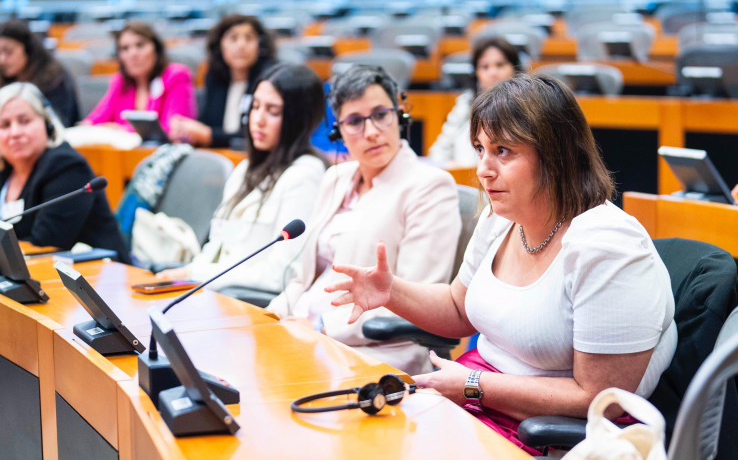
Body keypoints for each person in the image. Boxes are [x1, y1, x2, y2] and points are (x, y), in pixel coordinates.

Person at [325, 74, 676, 454]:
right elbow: (458, 309)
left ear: (557, 155)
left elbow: (599, 397)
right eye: (480, 149)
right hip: (480, 399)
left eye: (503, 151)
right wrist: (391, 291)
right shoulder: (501, 218)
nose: (483, 169)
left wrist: (475, 384)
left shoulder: (608, 247)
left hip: (548, 434)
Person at [267, 65, 462, 375]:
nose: (371, 132)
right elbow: (304, 278)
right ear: (338, 132)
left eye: (381, 114)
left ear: (399, 114)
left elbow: (418, 300)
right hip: (303, 332)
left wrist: (318, 327)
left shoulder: (430, 187)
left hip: (374, 351)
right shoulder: (335, 178)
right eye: (355, 121)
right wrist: (272, 315)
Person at [156, 63, 328, 292]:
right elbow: (214, 249)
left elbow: (282, 274)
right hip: (214, 293)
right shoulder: (245, 168)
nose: (258, 119)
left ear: (299, 119)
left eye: (273, 111)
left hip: (248, 305)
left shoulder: (305, 174)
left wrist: (194, 275)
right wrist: (185, 276)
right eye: (255, 107)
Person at [0, 82, 130, 263]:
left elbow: (45, 245)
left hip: (100, 280)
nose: (15, 133)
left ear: (47, 125)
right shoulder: (5, 173)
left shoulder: (66, 166)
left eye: (24, 121)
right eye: (5, 125)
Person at [168, 14, 276, 148]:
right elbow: (206, 123)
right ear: (220, 46)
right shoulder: (214, 79)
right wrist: (187, 130)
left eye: (249, 38)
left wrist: (208, 135)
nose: (241, 45)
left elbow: (254, 134)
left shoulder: (268, 82)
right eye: (233, 38)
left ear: (260, 46)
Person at [82, 21, 196, 135]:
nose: (133, 54)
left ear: (156, 49)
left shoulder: (177, 76)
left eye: (140, 45)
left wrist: (122, 130)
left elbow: (174, 130)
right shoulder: (120, 82)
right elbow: (92, 121)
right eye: (125, 48)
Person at [428, 36, 521, 167]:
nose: (493, 72)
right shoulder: (466, 102)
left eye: (500, 65)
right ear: (476, 73)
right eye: (485, 67)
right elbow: (439, 151)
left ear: (514, 68)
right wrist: (453, 169)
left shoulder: (526, 105)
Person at [0, 20, 80, 127]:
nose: (2, 60)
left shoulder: (54, 78)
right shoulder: (3, 77)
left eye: (9, 52)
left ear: (28, 50)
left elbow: (59, 124)